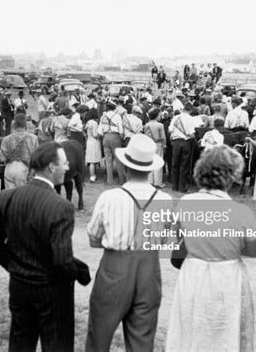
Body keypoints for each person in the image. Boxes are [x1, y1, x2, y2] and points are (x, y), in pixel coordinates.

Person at [0, 141, 91, 352]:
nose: (68, 168)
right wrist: (76, 273)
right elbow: (62, 261)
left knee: (20, 342)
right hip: (52, 291)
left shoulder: (9, 197)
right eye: (65, 163)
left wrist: (14, 265)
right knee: (57, 344)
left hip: (19, 286)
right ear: (52, 167)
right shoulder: (61, 207)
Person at [165, 145, 256, 352]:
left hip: (193, 272)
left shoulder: (185, 203)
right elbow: (255, 250)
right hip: (227, 275)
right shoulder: (240, 212)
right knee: (225, 332)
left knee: (190, 327)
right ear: (231, 176)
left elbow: (177, 235)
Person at [86, 134, 173, 352]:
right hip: (149, 269)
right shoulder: (165, 200)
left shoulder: (110, 197)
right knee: (142, 338)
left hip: (115, 267)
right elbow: (165, 240)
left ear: (125, 166)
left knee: (100, 332)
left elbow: (94, 238)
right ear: (150, 168)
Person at [0, 113, 38, 189]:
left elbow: (2, 158)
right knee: (23, 197)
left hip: (10, 168)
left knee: (11, 196)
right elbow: (36, 159)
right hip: (24, 169)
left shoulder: (6, 139)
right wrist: (31, 173)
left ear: (14, 125)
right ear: (25, 125)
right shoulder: (33, 138)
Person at [168, 102, 196, 192]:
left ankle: (174, 186)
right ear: (190, 110)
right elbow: (191, 134)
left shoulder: (175, 118)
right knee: (184, 165)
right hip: (185, 142)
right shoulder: (191, 119)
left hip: (176, 142)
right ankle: (182, 187)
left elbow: (170, 130)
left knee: (175, 164)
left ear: (183, 109)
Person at [97, 100, 125, 185]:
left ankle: (110, 180)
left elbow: (99, 131)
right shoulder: (117, 116)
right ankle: (122, 180)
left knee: (108, 160)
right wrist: (121, 137)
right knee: (119, 160)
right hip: (115, 137)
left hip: (105, 137)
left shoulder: (103, 117)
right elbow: (121, 130)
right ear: (115, 108)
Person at [143, 108, 166, 188]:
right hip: (157, 144)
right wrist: (164, 145)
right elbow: (163, 137)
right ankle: (158, 182)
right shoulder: (160, 125)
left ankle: (150, 181)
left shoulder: (146, 125)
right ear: (156, 116)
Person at [84, 108, 101, 183]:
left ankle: (92, 176)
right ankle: (92, 176)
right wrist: (99, 134)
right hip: (94, 142)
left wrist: (86, 136)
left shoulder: (88, 122)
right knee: (93, 161)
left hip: (89, 141)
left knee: (90, 160)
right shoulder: (94, 123)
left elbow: (83, 130)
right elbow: (95, 134)